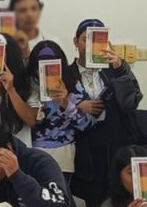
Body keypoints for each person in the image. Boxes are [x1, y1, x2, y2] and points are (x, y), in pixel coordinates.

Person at [67, 20, 143, 207]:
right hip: (85, 145)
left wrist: (119, 69)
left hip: (116, 140)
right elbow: (55, 110)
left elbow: (131, 103)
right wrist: (78, 107)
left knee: (122, 201)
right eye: (85, 39)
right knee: (94, 204)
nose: (91, 45)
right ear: (75, 42)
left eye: (98, 40)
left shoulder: (116, 68)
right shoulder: (67, 73)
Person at [26, 41, 96, 183]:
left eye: (52, 66)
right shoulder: (26, 86)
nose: (46, 70)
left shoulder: (72, 85)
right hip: (30, 152)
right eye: (40, 66)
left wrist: (66, 104)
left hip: (62, 155)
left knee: (57, 195)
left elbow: (89, 124)